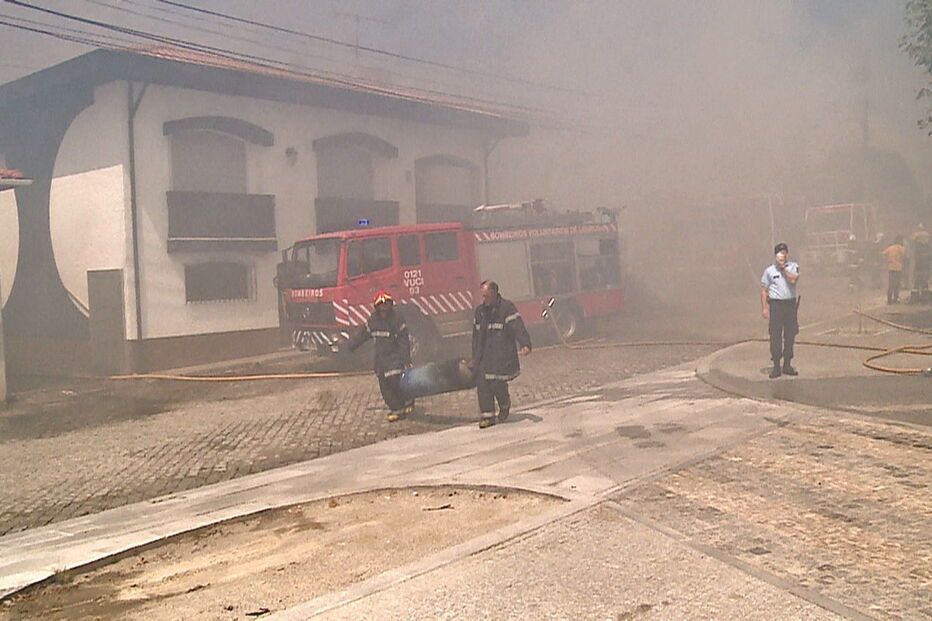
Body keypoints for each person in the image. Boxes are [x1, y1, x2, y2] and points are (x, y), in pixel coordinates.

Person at [345, 291, 414, 422]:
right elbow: (362, 335)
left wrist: (406, 360)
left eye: (386, 304)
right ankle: (397, 409)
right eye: (380, 305)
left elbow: (404, 341)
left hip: (395, 357)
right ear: (376, 307)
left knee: (396, 381)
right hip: (381, 361)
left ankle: (408, 401)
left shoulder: (397, 320)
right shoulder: (373, 321)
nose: (383, 308)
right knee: (384, 386)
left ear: (390, 305)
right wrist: (349, 346)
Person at [470, 280, 531, 428]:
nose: (484, 300)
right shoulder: (480, 311)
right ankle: (487, 416)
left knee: (497, 383)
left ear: (494, 293)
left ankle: (504, 405)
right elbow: (476, 337)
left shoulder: (507, 308)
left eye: (486, 296)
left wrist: (525, 344)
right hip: (484, 355)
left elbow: (518, 327)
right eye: (482, 296)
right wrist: (474, 358)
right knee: (483, 383)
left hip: (501, 353)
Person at [760, 242, 800, 379]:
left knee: (790, 335)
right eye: (779, 253)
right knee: (775, 335)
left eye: (784, 252)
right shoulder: (769, 271)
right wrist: (765, 308)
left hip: (789, 305)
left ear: (787, 254)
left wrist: (783, 268)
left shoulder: (793, 266)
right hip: (776, 306)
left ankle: (787, 364)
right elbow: (764, 290)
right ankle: (776, 366)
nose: (782, 255)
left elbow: (793, 280)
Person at [881, 235, 906, 304]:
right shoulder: (901, 248)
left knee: (891, 284)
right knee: (897, 284)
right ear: (900, 241)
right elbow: (905, 256)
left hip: (890, 268)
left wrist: (887, 260)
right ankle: (895, 299)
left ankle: (889, 300)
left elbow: (883, 254)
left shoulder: (890, 248)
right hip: (898, 268)